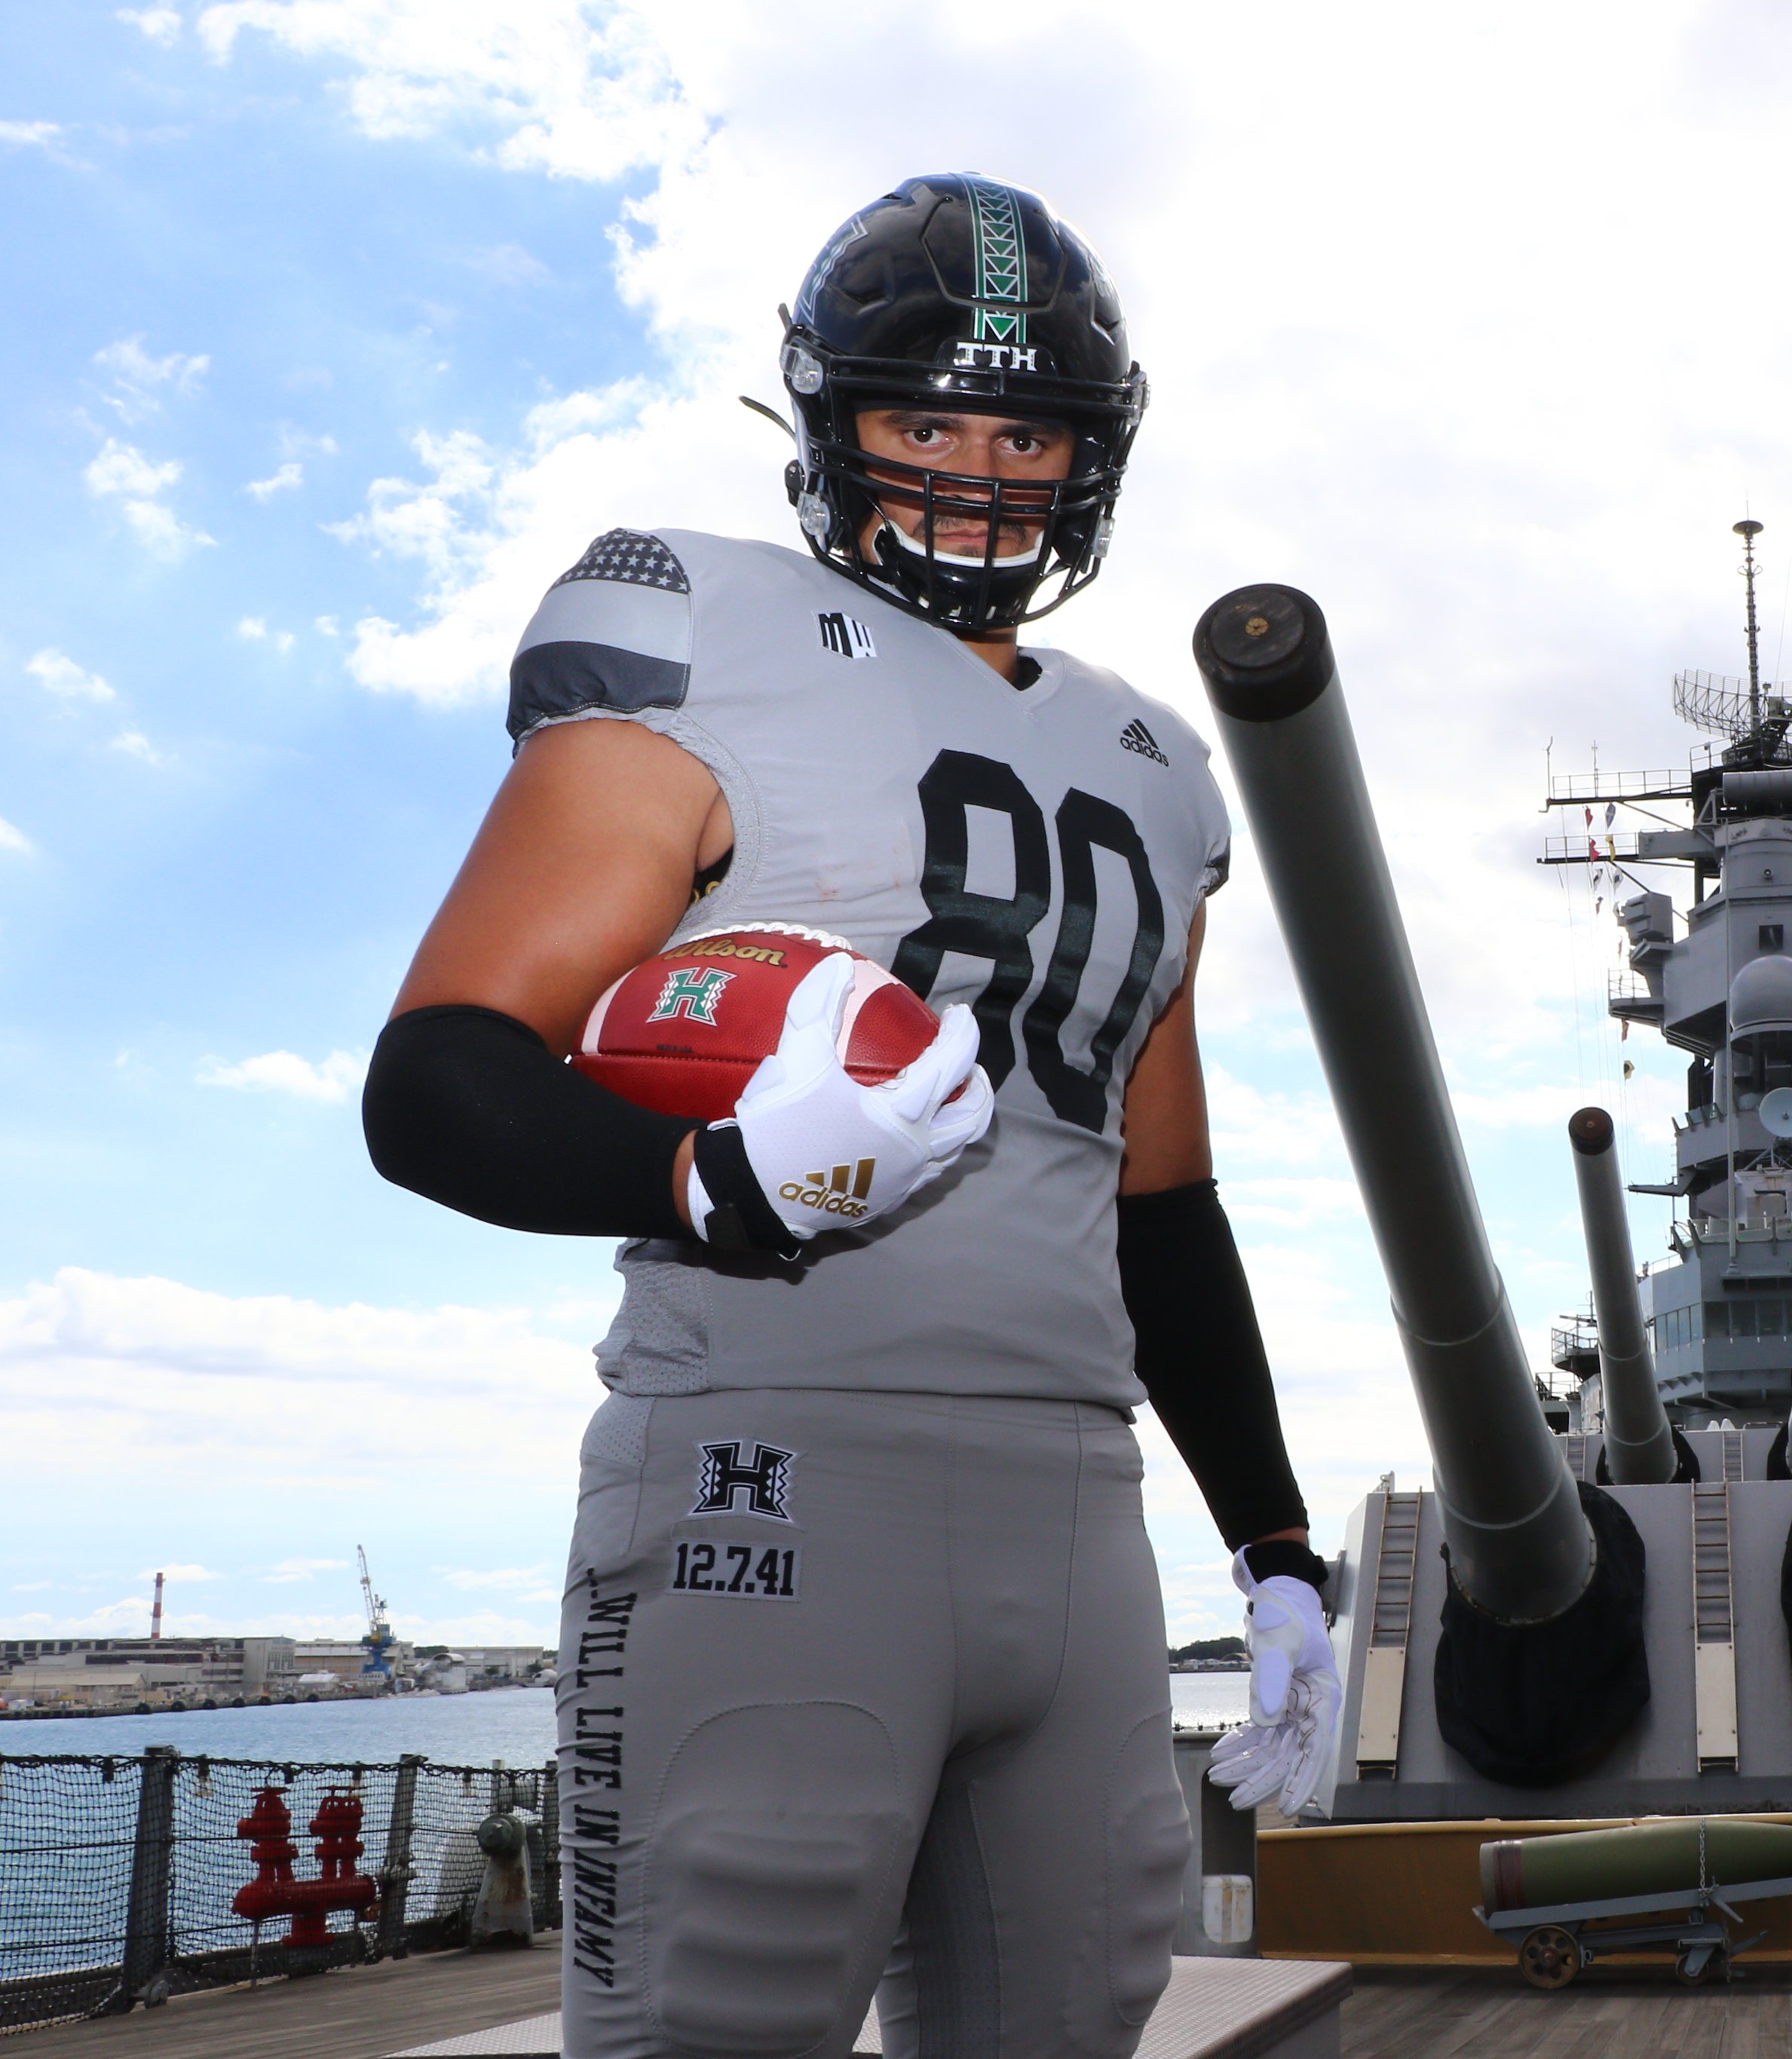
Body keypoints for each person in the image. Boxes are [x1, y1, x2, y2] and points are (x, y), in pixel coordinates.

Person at [362, 173, 1340, 2059]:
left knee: (1078, 2012)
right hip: (776, 1458)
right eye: (923, 417)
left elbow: (1161, 1204)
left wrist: (1275, 1546)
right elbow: (442, 1074)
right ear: (831, 424)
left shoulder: (1155, 764)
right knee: (720, 2013)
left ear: (1089, 453)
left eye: (1024, 425)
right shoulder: (698, 626)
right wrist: (706, 1177)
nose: (977, 469)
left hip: (1079, 1500)